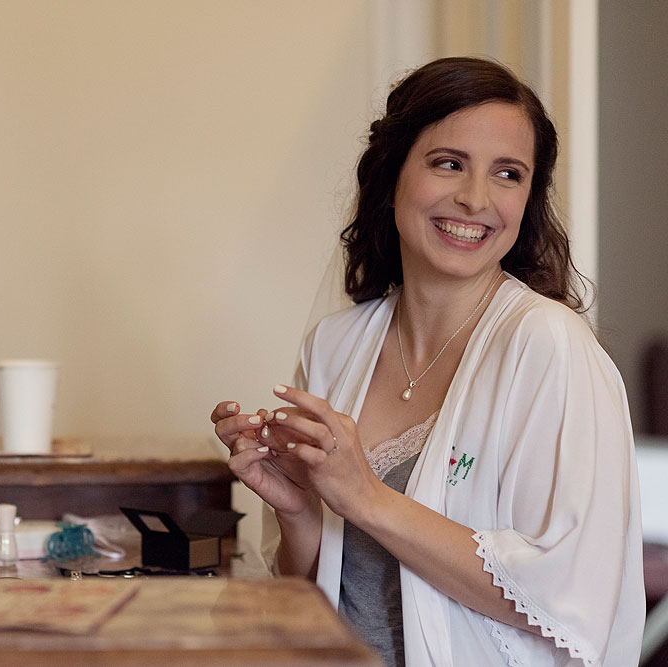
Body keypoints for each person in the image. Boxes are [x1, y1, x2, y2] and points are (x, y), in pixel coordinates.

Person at [211, 57, 643, 667]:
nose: (474, 199)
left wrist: (365, 497)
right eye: (449, 164)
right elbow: (306, 597)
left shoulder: (548, 346)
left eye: (508, 174)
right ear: (391, 178)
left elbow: (568, 599)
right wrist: (301, 511)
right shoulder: (333, 347)